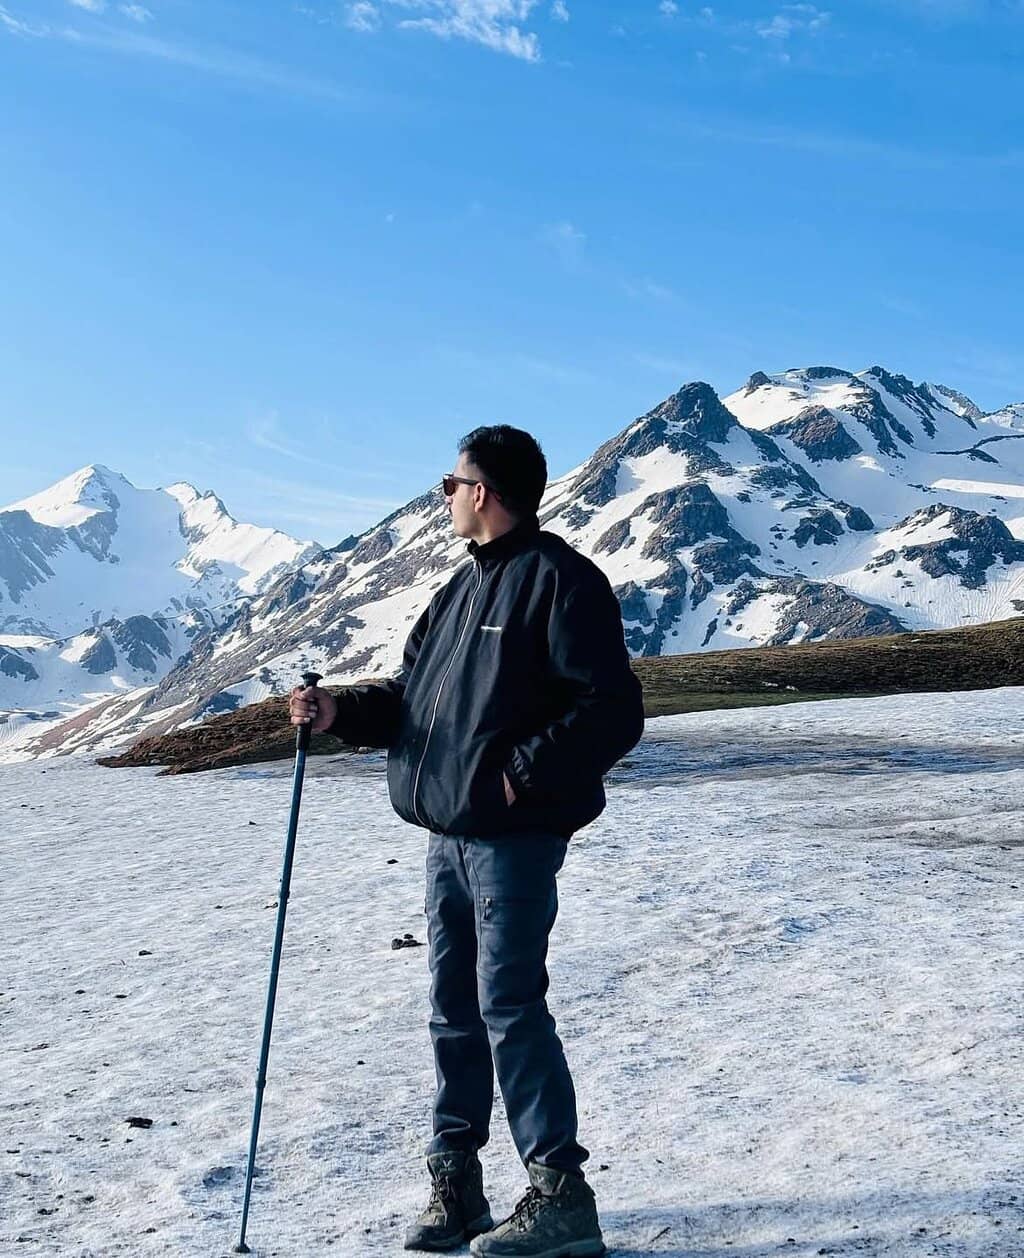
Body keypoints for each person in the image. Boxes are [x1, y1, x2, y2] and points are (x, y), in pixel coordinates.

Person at [289, 424, 644, 1258]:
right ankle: (458, 1186)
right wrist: (341, 710)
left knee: (508, 1006)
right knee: (455, 1010)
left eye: (450, 483)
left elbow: (612, 709)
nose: (444, 496)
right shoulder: (457, 592)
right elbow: (417, 700)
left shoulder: (561, 582)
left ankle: (561, 1197)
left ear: (482, 491)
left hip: (510, 838)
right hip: (446, 837)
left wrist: (518, 776)